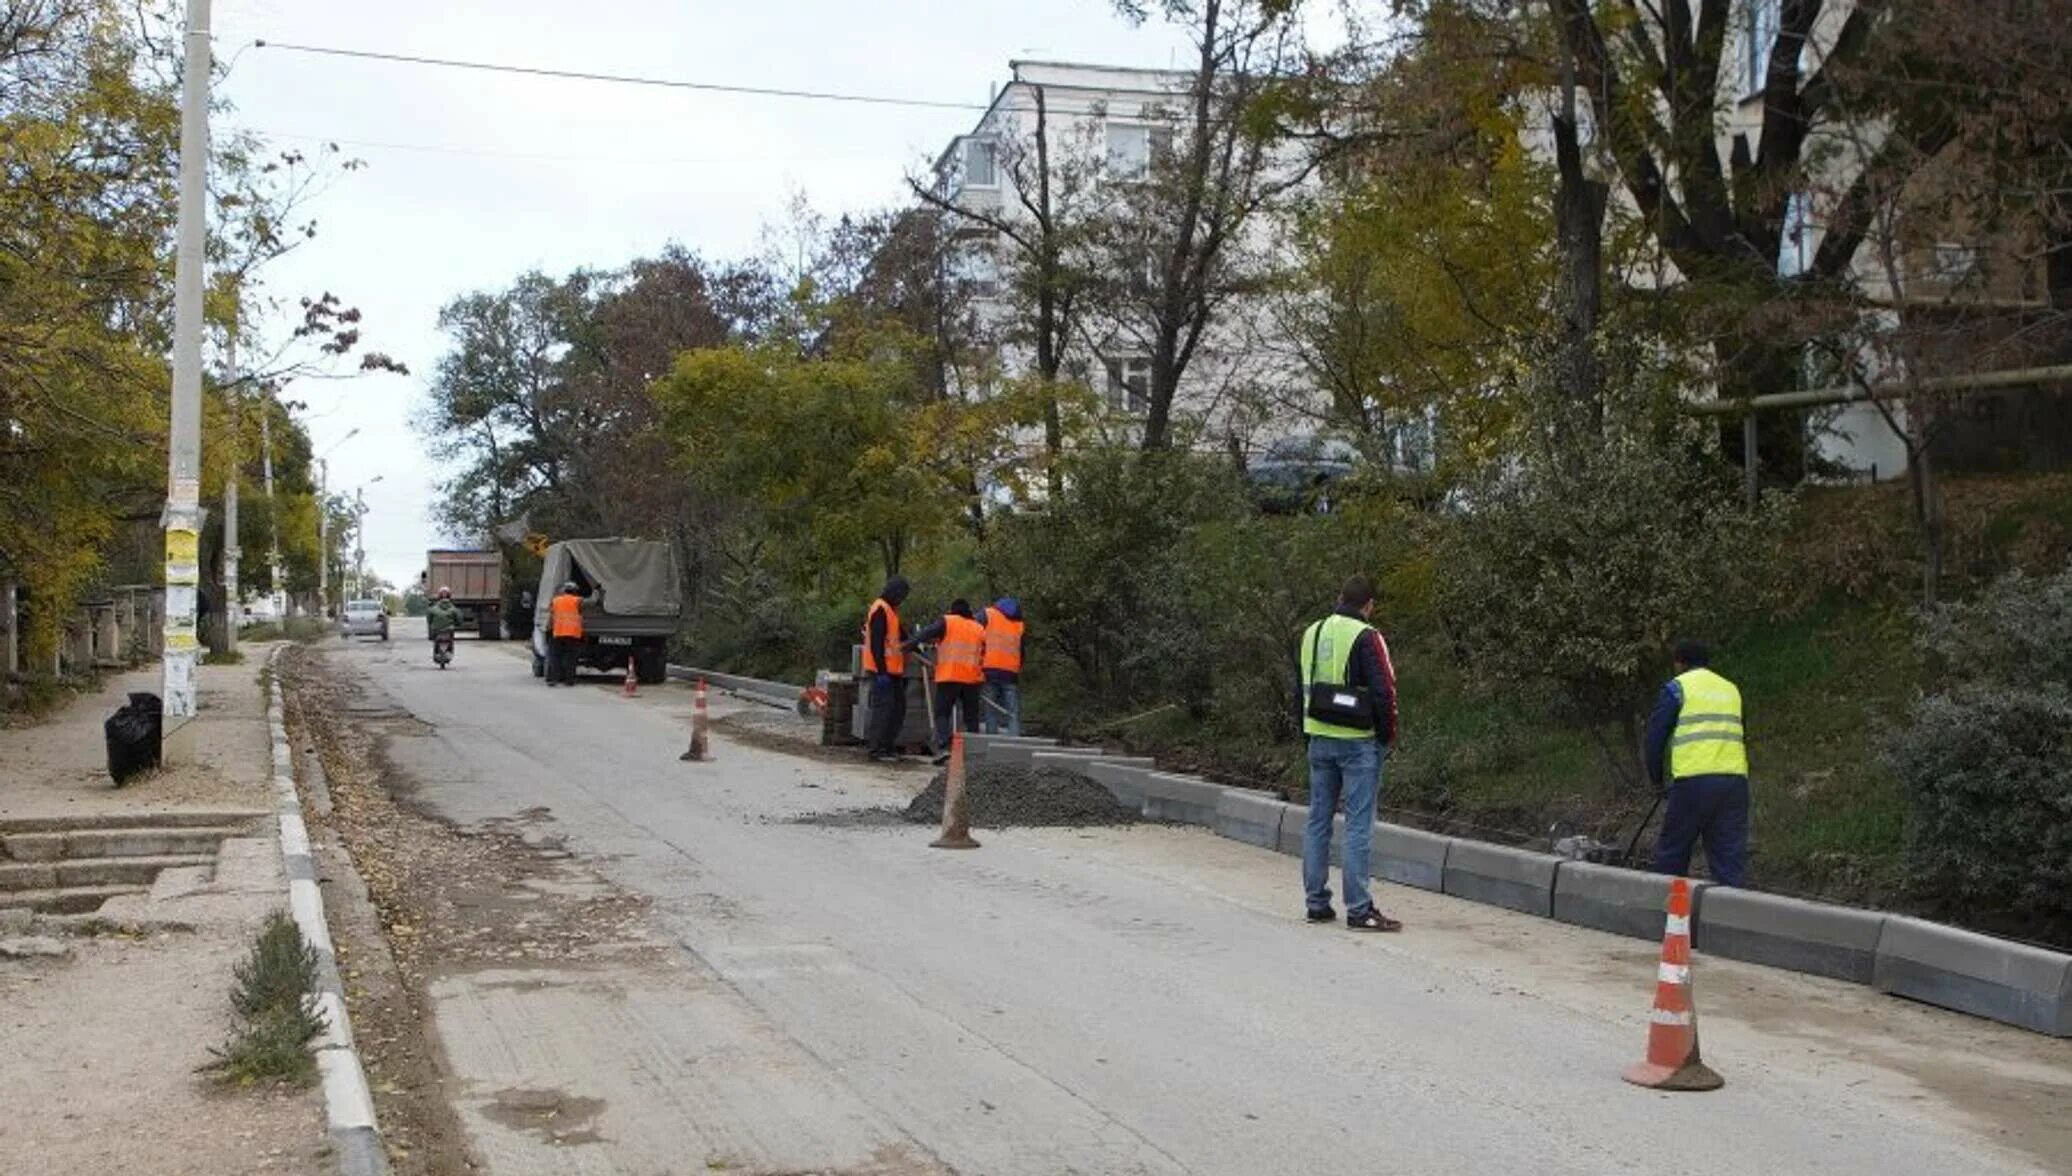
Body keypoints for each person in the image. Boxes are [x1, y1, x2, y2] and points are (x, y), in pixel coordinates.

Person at [1296, 575, 1401, 932]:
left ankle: (1316, 903)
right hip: (1358, 742)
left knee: (1318, 820)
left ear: (1340, 597)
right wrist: (1386, 737)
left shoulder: (1312, 632)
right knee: (1358, 825)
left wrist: (1306, 734)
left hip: (1318, 737)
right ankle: (1359, 909)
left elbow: (1301, 688)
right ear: (1369, 605)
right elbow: (1384, 691)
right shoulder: (1368, 637)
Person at [1646, 640, 1750, 888]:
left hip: (1694, 782)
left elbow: (1655, 736)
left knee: (1673, 852)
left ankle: (1668, 918)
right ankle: (1727, 918)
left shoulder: (1678, 688)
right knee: (1728, 859)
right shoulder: (1731, 689)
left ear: (1680, 663)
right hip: (1734, 783)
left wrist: (1656, 779)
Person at [906, 599, 986, 765]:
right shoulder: (979, 628)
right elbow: (984, 653)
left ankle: (943, 748)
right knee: (971, 717)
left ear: (952, 610)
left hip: (950, 676)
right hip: (972, 679)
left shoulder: (948, 621)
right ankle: (975, 754)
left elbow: (927, 632)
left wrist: (909, 644)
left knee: (942, 713)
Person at [862, 576, 912, 761]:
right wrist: (881, 672)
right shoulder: (880, 610)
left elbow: (902, 635)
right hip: (881, 671)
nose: (902, 599)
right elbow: (876, 644)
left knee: (898, 709)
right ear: (895, 591)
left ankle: (888, 746)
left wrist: (916, 642)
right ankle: (876, 749)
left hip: (894, 671)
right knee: (884, 709)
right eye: (902, 595)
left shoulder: (892, 610)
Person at [980, 597, 1025, 736]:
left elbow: (971, 630)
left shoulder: (987, 614)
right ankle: (1015, 743)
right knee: (1012, 711)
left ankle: (991, 742)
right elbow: (1022, 650)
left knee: (990, 708)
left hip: (989, 668)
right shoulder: (1019, 624)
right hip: (1011, 672)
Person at [547, 580, 585, 687]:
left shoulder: (555, 600)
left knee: (555, 657)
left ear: (564, 591)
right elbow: (587, 608)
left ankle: (553, 679)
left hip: (558, 633)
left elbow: (551, 617)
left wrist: (549, 629)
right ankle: (569, 681)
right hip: (573, 634)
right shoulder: (578, 601)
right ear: (575, 591)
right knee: (570, 658)